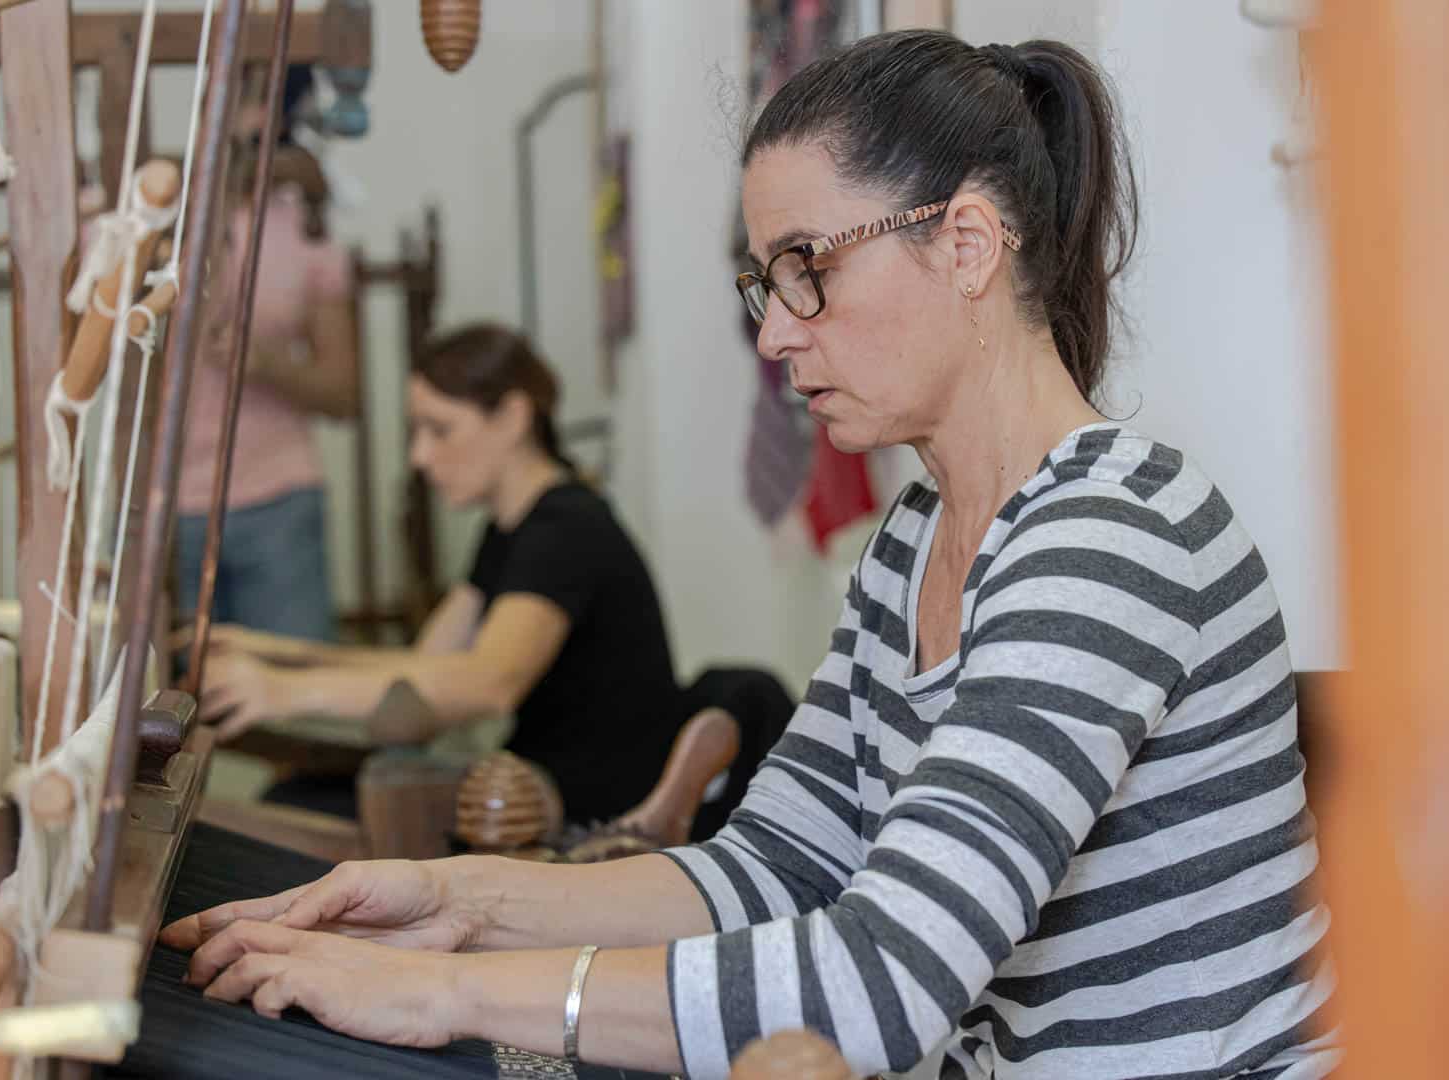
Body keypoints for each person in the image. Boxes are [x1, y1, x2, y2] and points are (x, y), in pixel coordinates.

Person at [163, 32, 1337, 1080]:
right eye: (765, 281)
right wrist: (455, 903)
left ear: (969, 244)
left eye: (807, 268)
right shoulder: (913, 544)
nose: (774, 331)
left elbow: (879, 981)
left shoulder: (1111, 538)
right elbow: (777, 865)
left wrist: (446, 993)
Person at [196, 323, 688, 829]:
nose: (420, 456)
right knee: (295, 797)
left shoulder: (565, 528)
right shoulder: (509, 529)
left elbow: (488, 683)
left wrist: (283, 690)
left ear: (513, 417)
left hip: (581, 810)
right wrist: (276, 653)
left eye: (440, 429)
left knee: (295, 809)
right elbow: (425, 666)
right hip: (526, 786)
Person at [173, 130, 359, 643]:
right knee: (166, 688)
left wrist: (267, 363)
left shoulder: (304, 230)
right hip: (166, 509)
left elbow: (344, 394)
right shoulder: (159, 218)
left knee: (291, 677)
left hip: (278, 502)